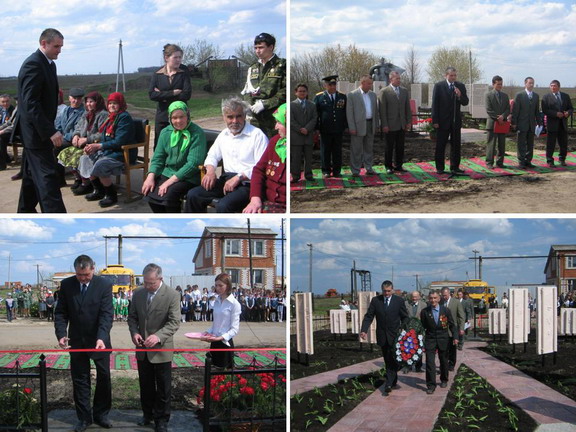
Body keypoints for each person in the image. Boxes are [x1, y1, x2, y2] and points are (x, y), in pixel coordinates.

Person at [54, 255, 113, 431]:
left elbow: (106, 315)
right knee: (80, 380)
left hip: (99, 341)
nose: (83, 278)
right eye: (79, 275)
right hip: (76, 341)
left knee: (104, 378)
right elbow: (60, 313)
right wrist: (61, 334)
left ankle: (101, 414)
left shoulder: (103, 285)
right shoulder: (67, 285)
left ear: (93, 269)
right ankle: (84, 418)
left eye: (86, 274)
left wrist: (101, 337)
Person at [184, 96, 268, 213]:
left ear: (244, 116)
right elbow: (212, 156)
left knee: (224, 205)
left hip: (248, 184)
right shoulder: (224, 134)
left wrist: (239, 177)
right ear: (224, 118)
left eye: (238, 116)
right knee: (193, 195)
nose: (234, 121)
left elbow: (262, 168)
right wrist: (211, 171)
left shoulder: (257, 135)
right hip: (226, 180)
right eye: (230, 117)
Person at [16, 28, 67, 213]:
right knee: (48, 179)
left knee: (31, 177)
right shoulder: (33, 64)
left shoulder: (49, 64)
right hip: (36, 134)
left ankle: (25, 211)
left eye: (61, 46)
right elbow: (30, 103)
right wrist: (50, 131)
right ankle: (57, 218)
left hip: (40, 131)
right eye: (56, 46)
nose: (59, 50)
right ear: (43, 43)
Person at [128, 263, 180, 432]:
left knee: (163, 387)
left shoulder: (172, 295)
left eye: (152, 283)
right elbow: (132, 318)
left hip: (162, 349)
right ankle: (147, 414)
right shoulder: (138, 294)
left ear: (160, 278)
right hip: (142, 349)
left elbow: (174, 322)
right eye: (146, 283)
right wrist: (135, 333)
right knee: (146, 385)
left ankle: (162, 419)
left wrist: (158, 336)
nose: (148, 286)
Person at [142, 101, 207, 213]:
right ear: (170, 118)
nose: (178, 121)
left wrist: (170, 181)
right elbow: (158, 158)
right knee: (150, 192)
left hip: (188, 176)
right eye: (174, 118)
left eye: (182, 117)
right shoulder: (165, 132)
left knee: (169, 194)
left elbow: (193, 164)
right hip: (168, 172)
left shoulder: (197, 133)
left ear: (188, 116)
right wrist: (150, 177)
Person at [78, 92, 135, 208]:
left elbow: (120, 142)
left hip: (122, 154)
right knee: (85, 158)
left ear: (121, 104)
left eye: (115, 103)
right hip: (108, 151)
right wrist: (93, 147)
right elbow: (104, 137)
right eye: (110, 104)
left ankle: (111, 195)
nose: (112, 106)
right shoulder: (110, 117)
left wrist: (99, 146)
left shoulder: (124, 117)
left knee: (101, 164)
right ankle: (99, 190)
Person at [360, 280, 408, 393]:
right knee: (387, 359)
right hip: (382, 335)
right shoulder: (376, 301)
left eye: (388, 291)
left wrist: (404, 329)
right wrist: (364, 330)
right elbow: (369, 316)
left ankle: (388, 383)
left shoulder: (399, 301)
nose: (386, 293)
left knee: (394, 358)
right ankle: (393, 381)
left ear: (392, 290)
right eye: (384, 291)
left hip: (395, 335)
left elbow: (405, 317)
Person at [57, 91, 108, 195]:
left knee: (78, 156)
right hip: (84, 143)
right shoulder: (87, 113)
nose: (88, 104)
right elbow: (78, 127)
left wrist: (86, 139)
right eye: (87, 102)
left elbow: (102, 134)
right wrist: (76, 135)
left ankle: (87, 183)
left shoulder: (103, 114)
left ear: (97, 102)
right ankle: (79, 178)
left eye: (91, 102)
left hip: (95, 145)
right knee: (64, 154)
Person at [243, 103, 286, 213]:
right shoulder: (274, 141)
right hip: (267, 200)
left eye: (279, 123)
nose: (275, 127)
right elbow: (258, 170)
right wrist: (255, 198)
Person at [241, 33, 286, 138]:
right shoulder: (253, 68)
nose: (258, 51)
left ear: (271, 47)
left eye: (261, 47)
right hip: (256, 121)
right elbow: (248, 90)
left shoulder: (282, 65)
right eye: (256, 48)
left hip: (274, 120)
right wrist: (247, 104)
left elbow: (285, 92)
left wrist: (266, 103)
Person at [149, 44, 192, 147]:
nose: (178, 60)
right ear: (166, 58)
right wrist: (173, 93)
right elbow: (152, 95)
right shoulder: (157, 74)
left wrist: (162, 95)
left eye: (180, 57)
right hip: (162, 116)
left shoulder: (184, 71)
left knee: (180, 145)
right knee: (160, 145)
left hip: (180, 116)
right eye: (175, 57)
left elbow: (186, 94)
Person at [431, 66, 469, 175]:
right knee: (441, 145)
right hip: (442, 122)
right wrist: (435, 121)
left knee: (456, 146)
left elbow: (465, 102)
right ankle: (440, 168)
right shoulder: (439, 86)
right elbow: (435, 104)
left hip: (455, 122)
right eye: (451, 75)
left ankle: (455, 167)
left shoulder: (460, 86)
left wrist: (460, 95)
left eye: (455, 75)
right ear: (446, 75)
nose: (453, 77)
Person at [420, 290, 458, 395]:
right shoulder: (424, 312)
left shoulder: (445, 311)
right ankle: (431, 385)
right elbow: (422, 326)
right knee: (430, 362)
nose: (433, 300)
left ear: (439, 299)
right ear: (428, 299)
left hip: (443, 339)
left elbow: (452, 325)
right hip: (430, 339)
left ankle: (444, 379)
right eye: (431, 298)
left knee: (444, 361)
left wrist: (455, 337)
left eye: (435, 298)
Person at [200, 273, 241, 368]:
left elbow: (234, 329)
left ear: (228, 286)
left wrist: (220, 338)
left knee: (224, 376)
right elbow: (216, 324)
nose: (217, 288)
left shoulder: (234, 304)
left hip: (225, 344)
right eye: (216, 285)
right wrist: (208, 332)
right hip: (214, 342)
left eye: (220, 285)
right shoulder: (217, 301)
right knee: (212, 374)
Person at [379, 71, 412, 173]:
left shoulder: (404, 91)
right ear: (391, 79)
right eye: (397, 78)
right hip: (390, 125)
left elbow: (407, 107)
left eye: (399, 78)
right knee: (389, 147)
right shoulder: (384, 91)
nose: (399, 80)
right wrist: (384, 124)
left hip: (401, 124)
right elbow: (382, 110)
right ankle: (388, 166)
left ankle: (398, 165)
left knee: (400, 146)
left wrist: (408, 121)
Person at [314, 75, 347, 178]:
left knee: (337, 151)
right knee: (325, 151)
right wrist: (316, 128)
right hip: (325, 129)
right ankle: (326, 171)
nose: (332, 87)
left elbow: (345, 112)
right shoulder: (319, 97)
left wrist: (345, 126)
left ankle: (337, 171)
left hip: (338, 128)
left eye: (334, 84)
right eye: (330, 85)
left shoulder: (342, 96)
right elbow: (315, 114)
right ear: (325, 85)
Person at [346, 75, 378, 177]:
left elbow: (375, 111)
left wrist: (376, 124)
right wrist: (352, 127)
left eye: (371, 83)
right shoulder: (352, 95)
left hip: (370, 124)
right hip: (358, 126)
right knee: (356, 149)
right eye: (369, 83)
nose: (370, 85)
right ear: (363, 83)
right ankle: (355, 170)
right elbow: (349, 113)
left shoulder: (373, 95)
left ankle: (369, 168)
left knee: (369, 148)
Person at [54, 87, 85, 186]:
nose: (76, 101)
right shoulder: (66, 110)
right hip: (63, 137)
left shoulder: (83, 113)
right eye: (74, 98)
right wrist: (57, 134)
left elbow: (78, 130)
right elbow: (58, 124)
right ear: (69, 98)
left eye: (79, 99)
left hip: (73, 139)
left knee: (55, 147)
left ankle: (60, 179)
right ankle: (55, 177)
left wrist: (63, 137)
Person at [541, 79, 574, 167]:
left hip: (563, 124)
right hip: (552, 124)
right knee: (550, 143)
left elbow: (571, 108)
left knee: (563, 143)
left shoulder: (565, 96)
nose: (553, 87)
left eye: (554, 86)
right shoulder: (546, 97)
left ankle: (562, 159)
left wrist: (568, 113)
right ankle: (550, 160)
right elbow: (545, 110)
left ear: (559, 87)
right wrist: (555, 114)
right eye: (551, 86)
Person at [511, 77, 540, 169]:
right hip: (521, 123)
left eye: (533, 83)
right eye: (530, 83)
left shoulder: (536, 96)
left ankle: (528, 161)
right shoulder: (519, 95)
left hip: (531, 124)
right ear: (525, 83)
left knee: (530, 144)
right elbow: (515, 110)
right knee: (521, 144)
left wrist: (539, 123)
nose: (531, 85)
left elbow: (537, 111)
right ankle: (521, 162)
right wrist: (514, 122)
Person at [290, 84, 317, 182]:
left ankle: (308, 175)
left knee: (309, 158)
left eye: (304, 91)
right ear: (296, 92)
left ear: (307, 92)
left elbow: (314, 118)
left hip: (308, 135)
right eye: (300, 91)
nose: (302, 93)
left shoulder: (312, 105)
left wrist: (307, 129)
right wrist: (300, 129)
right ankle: (296, 176)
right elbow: (291, 120)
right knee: (296, 158)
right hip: (296, 136)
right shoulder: (291, 105)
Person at [484, 75, 511, 169]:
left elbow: (508, 109)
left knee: (501, 144)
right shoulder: (488, 95)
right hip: (492, 123)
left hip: (502, 124)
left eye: (501, 84)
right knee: (491, 144)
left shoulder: (505, 96)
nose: (500, 86)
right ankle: (489, 163)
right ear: (493, 84)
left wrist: (503, 116)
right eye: (498, 84)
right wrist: (497, 117)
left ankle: (500, 163)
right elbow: (488, 109)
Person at [440, 287, 465, 371]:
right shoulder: (440, 303)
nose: (444, 297)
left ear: (449, 294)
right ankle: (443, 365)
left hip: (452, 329)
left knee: (452, 349)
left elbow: (461, 316)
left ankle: (451, 364)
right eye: (443, 296)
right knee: (443, 349)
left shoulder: (456, 302)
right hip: (442, 330)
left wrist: (461, 328)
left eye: (445, 295)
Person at [404, 290, 427, 372]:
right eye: (413, 296)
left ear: (419, 297)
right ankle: (408, 366)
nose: (414, 298)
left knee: (419, 348)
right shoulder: (406, 304)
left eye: (416, 297)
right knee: (408, 348)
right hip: (408, 330)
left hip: (419, 330)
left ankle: (418, 367)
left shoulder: (424, 305)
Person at [0, 94, 16, 170]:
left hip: (11, 132)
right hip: (2, 129)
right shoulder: (0, 110)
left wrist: (2, 131)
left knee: (1, 138)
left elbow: (12, 125)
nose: (5, 103)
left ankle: (2, 163)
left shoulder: (13, 110)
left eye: (7, 101)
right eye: (3, 102)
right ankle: (6, 158)